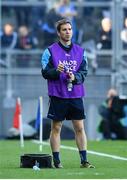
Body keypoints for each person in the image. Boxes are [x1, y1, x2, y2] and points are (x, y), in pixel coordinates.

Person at [41, 18, 95, 168]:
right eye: (64, 30)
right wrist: (56, 71)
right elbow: (45, 73)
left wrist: (75, 77)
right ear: (58, 33)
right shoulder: (49, 51)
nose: (68, 32)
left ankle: (84, 160)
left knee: (79, 127)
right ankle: (57, 161)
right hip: (58, 94)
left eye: (70, 29)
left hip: (76, 94)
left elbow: (84, 72)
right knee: (56, 128)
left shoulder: (81, 51)